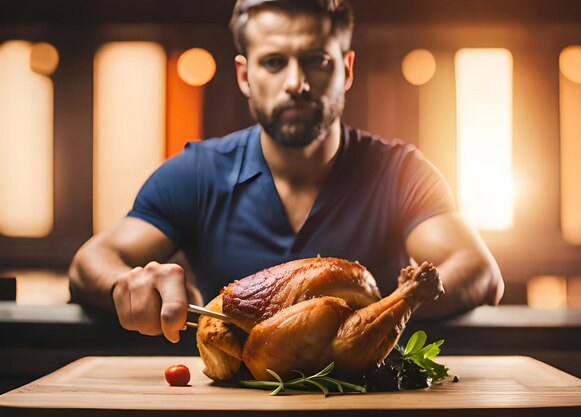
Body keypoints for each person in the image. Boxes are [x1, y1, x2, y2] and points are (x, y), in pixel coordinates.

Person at [69, 0, 504, 344]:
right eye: (274, 62)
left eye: (316, 60)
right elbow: (91, 261)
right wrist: (128, 284)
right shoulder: (197, 173)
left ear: (346, 69)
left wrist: (368, 317)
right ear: (244, 75)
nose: (296, 81)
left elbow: (476, 269)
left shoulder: (400, 172)